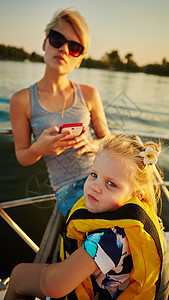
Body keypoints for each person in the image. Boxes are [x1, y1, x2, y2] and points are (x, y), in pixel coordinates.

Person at [4, 133, 165, 299]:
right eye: (94, 175)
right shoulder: (129, 222)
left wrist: (50, 270)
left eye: (111, 184)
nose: (95, 187)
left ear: (135, 197)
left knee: (19, 276)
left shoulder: (110, 239)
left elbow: (54, 287)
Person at [10, 8, 110, 216]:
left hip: (103, 176)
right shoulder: (21, 100)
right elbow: (22, 155)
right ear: (45, 43)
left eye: (74, 47)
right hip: (68, 189)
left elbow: (106, 139)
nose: (64, 49)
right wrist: (39, 148)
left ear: (79, 59)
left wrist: (91, 145)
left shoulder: (89, 94)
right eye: (57, 39)